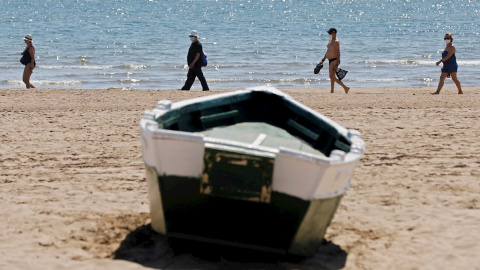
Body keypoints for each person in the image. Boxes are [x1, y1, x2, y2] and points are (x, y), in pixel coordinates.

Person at [319, 28, 349, 94]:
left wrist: (337, 63)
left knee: (331, 76)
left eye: (330, 33)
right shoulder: (330, 40)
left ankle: (343, 88)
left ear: (334, 33)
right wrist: (323, 60)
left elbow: (338, 53)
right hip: (329, 60)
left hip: (334, 60)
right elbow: (328, 51)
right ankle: (341, 89)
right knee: (332, 76)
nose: (329, 34)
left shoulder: (336, 42)